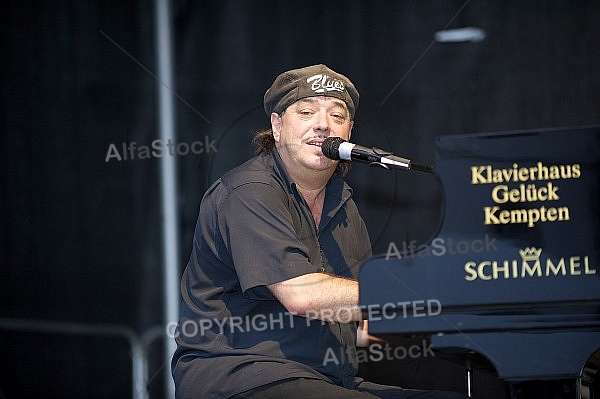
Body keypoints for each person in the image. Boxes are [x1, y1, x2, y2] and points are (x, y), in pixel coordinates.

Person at [171, 64, 467, 399]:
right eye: (307, 111)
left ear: (349, 132)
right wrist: (424, 293)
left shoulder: (344, 204)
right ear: (277, 126)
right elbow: (302, 296)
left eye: (336, 116)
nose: (323, 124)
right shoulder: (250, 191)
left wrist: (457, 316)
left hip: (325, 379)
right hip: (242, 375)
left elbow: (361, 325)